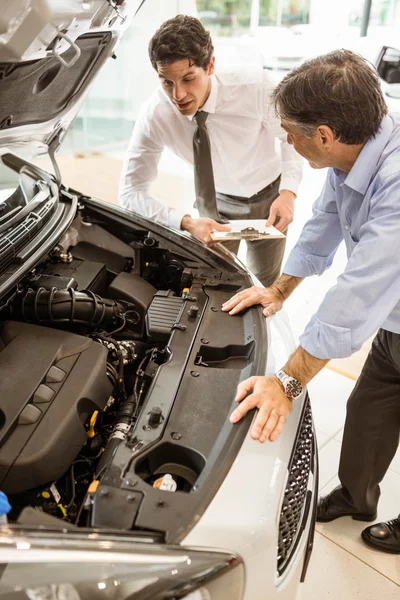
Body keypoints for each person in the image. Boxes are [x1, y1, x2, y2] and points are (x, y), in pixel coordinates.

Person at [221, 49, 400, 554]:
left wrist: (288, 381)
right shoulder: (361, 140)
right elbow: (323, 222)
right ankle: (358, 495)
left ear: (322, 134)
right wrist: (277, 290)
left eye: (290, 133)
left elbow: (358, 291)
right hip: (395, 322)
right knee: (369, 412)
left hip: (389, 299)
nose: (287, 142)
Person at [118, 15, 303, 288]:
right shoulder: (154, 115)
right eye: (166, 82)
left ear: (211, 65)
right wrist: (186, 222)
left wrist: (288, 193)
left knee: (263, 282)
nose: (177, 95)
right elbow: (130, 192)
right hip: (212, 203)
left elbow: (292, 137)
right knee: (214, 284)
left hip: (269, 198)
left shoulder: (257, 88)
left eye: (188, 79)